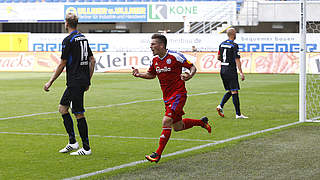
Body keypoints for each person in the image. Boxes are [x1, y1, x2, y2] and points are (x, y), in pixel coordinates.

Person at [132, 34, 212, 163]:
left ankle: (157, 154)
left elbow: (192, 67)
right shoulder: (154, 60)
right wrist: (138, 74)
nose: (150, 46)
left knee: (166, 121)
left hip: (179, 94)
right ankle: (201, 122)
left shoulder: (175, 56)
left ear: (161, 45)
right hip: (167, 98)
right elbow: (151, 75)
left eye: (153, 44)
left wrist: (189, 75)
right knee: (178, 126)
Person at [43, 13, 96, 155]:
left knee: (78, 113)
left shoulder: (68, 40)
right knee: (62, 108)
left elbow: (62, 63)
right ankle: (73, 142)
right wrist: (88, 80)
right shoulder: (83, 38)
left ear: (66, 23)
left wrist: (50, 82)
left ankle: (86, 148)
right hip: (80, 80)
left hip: (75, 81)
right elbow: (93, 60)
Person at [216, 28, 248, 119]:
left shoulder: (221, 44)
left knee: (230, 90)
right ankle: (238, 114)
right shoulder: (234, 45)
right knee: (234, 91)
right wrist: (241, 72)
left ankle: (220, 106)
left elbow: (218, 57)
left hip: (223, 70)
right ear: (233, 34)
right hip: (230, 70)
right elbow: (237, 59)